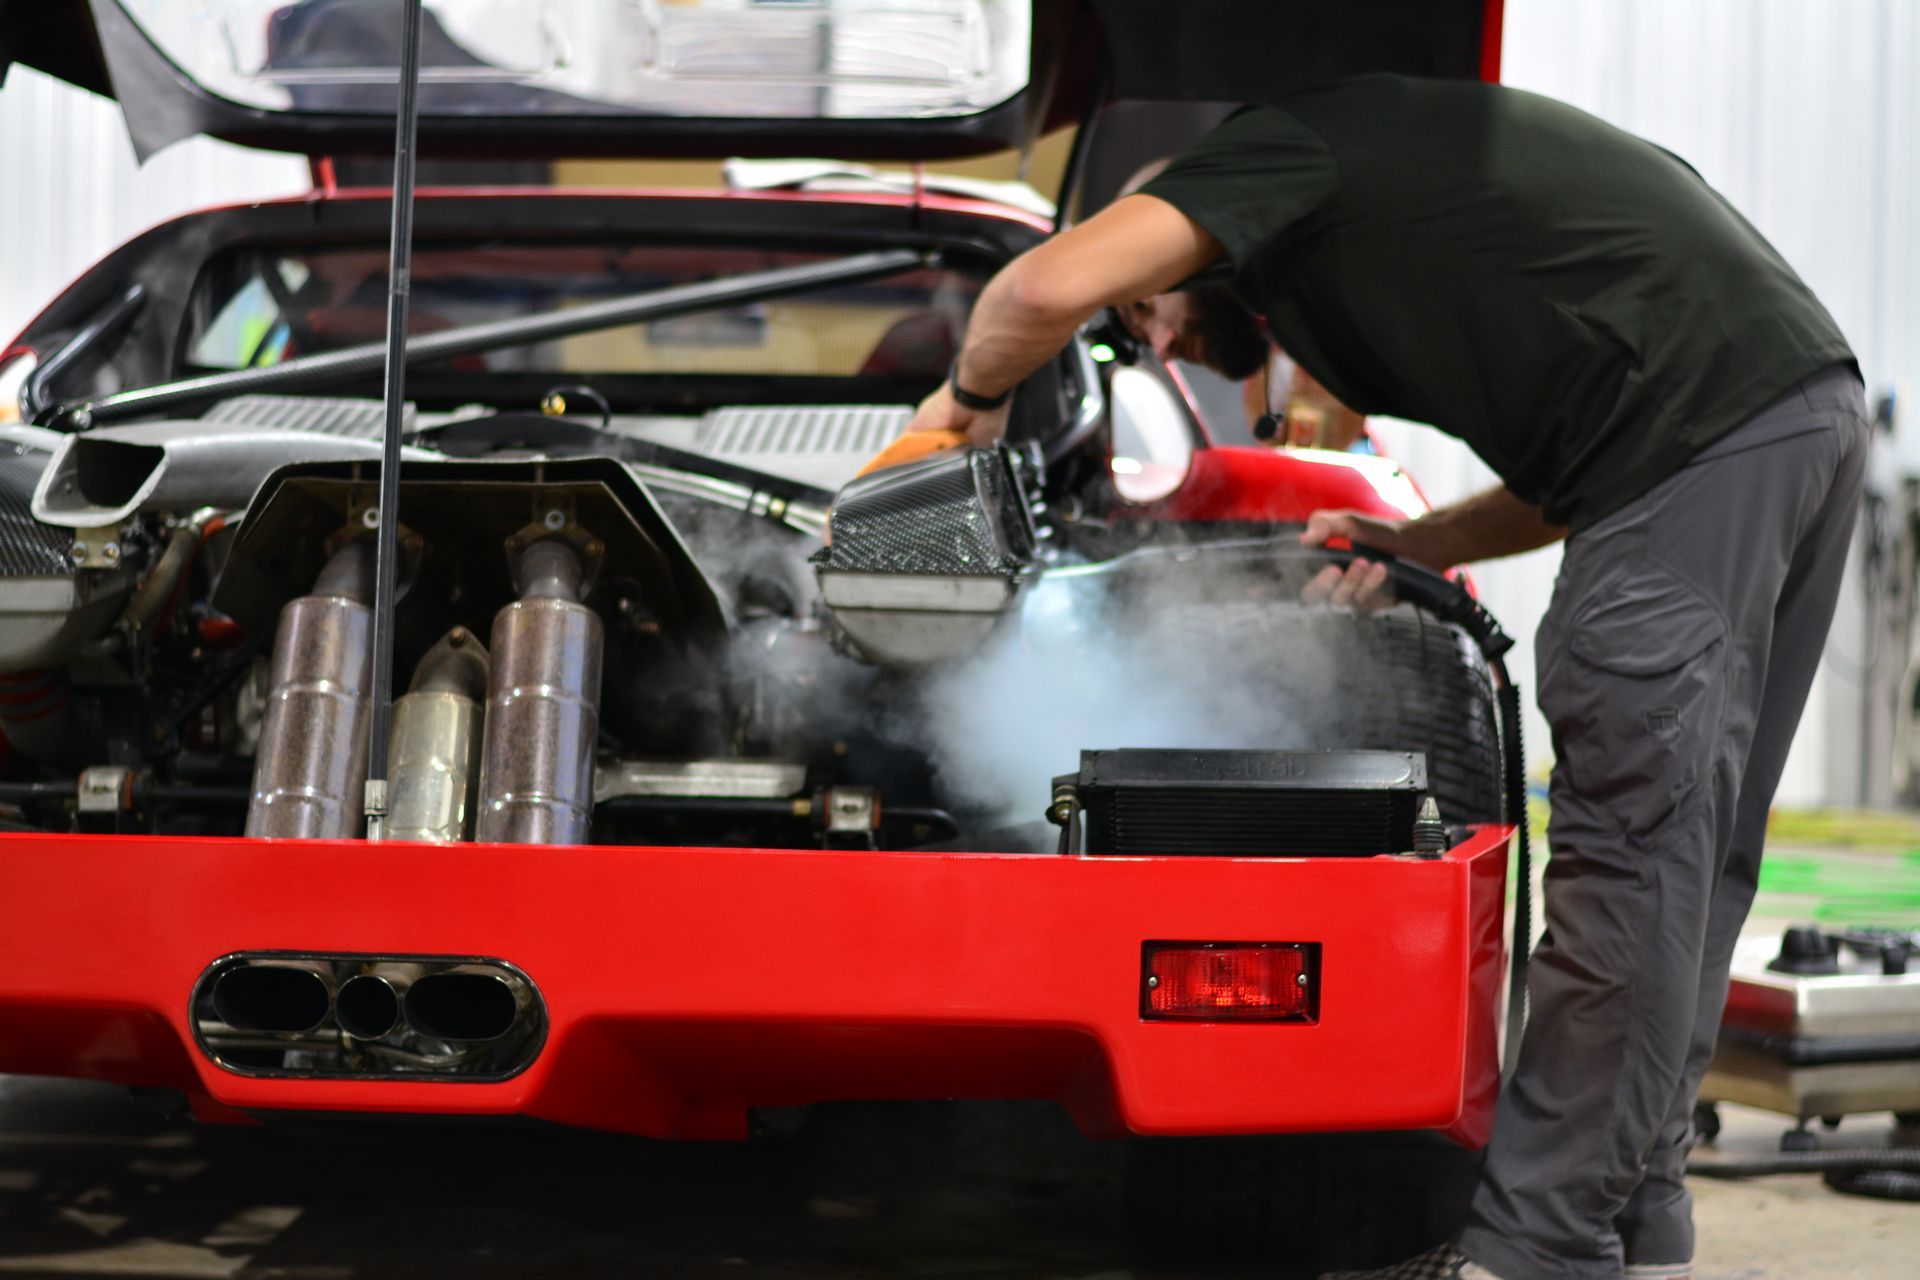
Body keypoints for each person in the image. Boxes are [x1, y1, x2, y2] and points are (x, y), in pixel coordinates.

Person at [886, 75, 1865, 1280]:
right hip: (1790, 415)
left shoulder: (1275, 144)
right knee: (1687, 869)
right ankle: (1631, 1231)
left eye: (1145, 308)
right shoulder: (1381, 257)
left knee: (1633, 865)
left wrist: (967, 404)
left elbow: (1037, 285)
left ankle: (1531, 1254)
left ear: (1192, 227)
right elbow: (1565, 478)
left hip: (1713, 431)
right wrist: (1417, 547)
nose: (1156, 338)